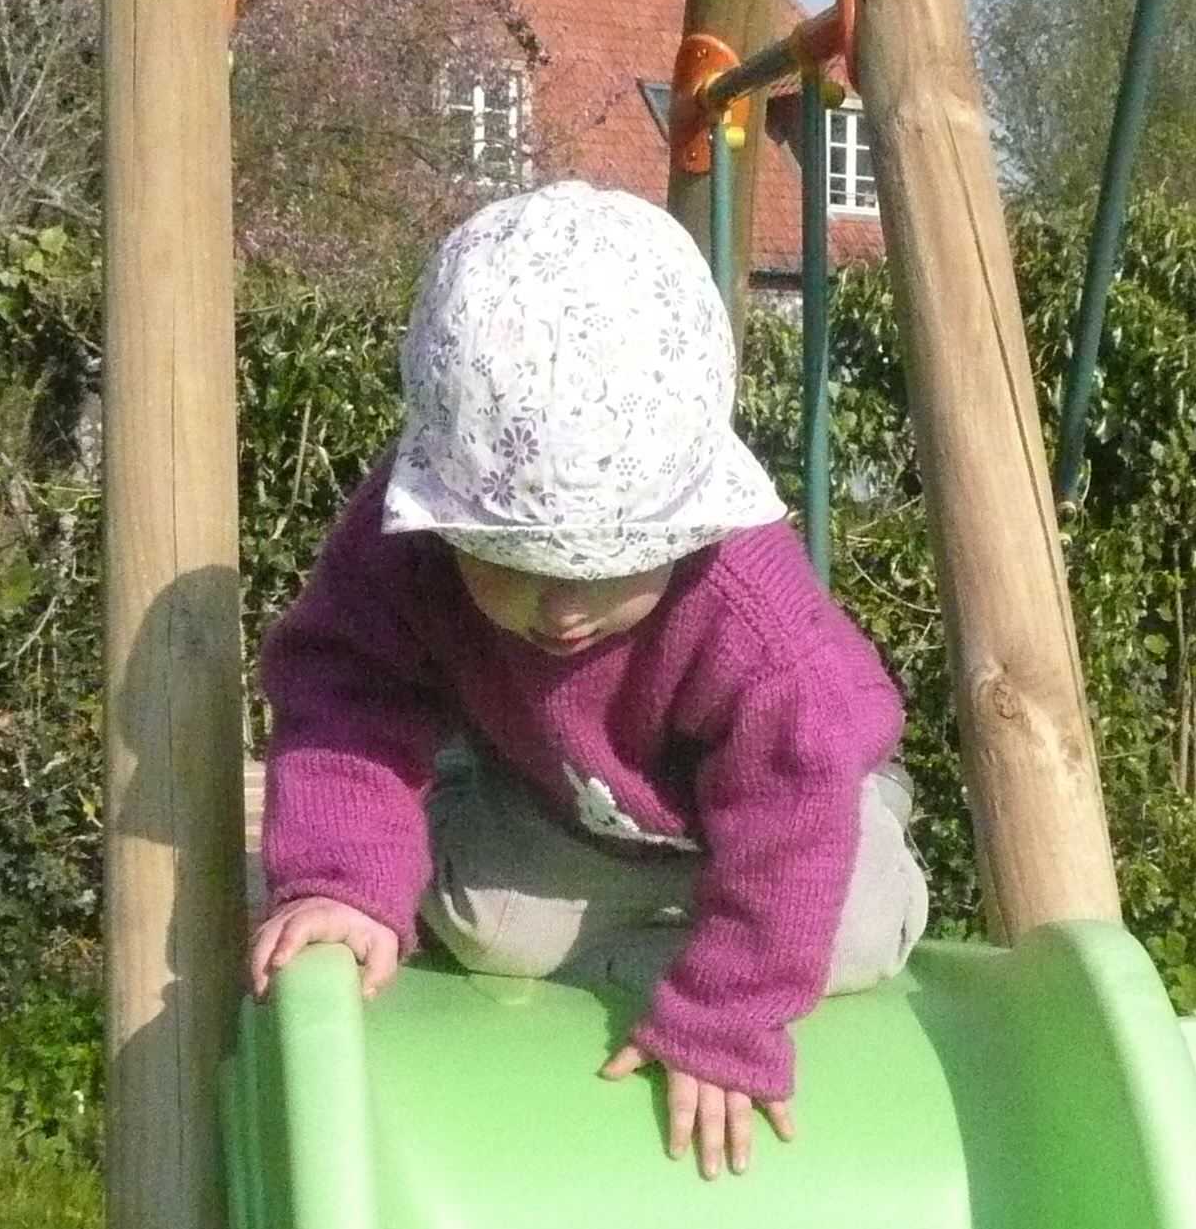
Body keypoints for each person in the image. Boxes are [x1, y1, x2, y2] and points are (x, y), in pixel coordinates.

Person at [250, 181, 927, 1177]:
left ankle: (721, 939)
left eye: (608, 569)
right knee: (487, 927)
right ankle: (660, 926)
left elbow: (791, 791)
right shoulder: (401, 550)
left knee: (858, 934)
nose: (561, 610)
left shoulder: (754, 617)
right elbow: (348, 692)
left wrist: (727, 1017)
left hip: (805, 797)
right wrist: (343, 881)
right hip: (578, 804)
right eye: (510, 564)